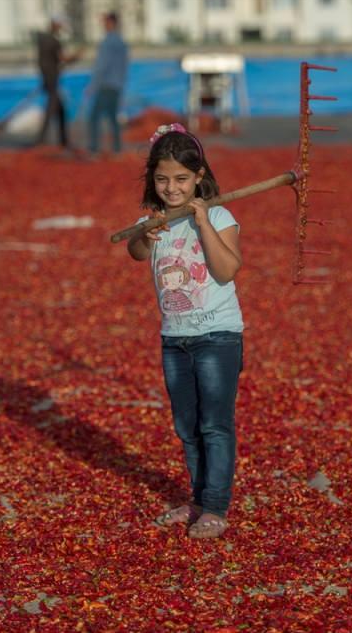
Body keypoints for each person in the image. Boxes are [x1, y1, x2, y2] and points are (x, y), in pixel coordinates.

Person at [126, 123, 244, 539]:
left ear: (199, 177)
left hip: (217, 336)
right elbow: (136, 251)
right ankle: (196, 499)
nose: (171, 188)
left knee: (214, 424)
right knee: (186, 425)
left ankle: (215, 506)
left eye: (181, 179)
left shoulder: (219, 215)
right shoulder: (156, 220)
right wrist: (145, 232)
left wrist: (202, 221)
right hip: (174, 338)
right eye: (162, 180)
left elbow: (227, 271)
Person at [87, 11, 129, 156]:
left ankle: (94, 150)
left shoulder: (107, 42)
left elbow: (101, 66)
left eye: (105, 22)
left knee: (94, 117)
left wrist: (92, 86)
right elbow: (124, 66)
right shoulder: (121, 42)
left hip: (106, 85)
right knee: (113, 118)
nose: (103, 25)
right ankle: (117, 150)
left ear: (111, 23)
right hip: (116, 85)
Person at [35, 14, 80, 149]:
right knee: (52, 108)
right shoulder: (54, 41)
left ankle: (63, 139)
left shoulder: (43, 40)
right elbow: (63, 59)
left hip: (48, 77)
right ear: (56, 25)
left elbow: (45, 61)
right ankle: (41, 139)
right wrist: (76, 57)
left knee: (60, 109)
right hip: (52, 78)